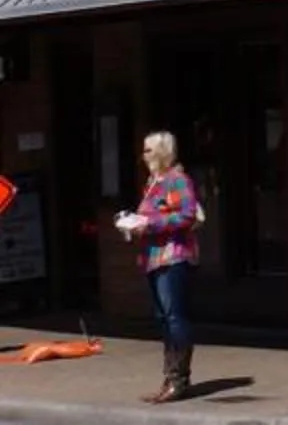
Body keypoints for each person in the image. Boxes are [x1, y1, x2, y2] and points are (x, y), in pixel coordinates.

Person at [115, 131, 201, 404]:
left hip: (173, 256)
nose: (143, 156)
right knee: (163, 318)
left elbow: (187, 215)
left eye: (149, 150)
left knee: (175, 316)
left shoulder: (177, 180)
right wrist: (134, 224)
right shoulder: (153, 182)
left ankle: (179, 379)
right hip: (153, 257)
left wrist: (149, 224)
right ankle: (169, 376)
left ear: (163, 152)